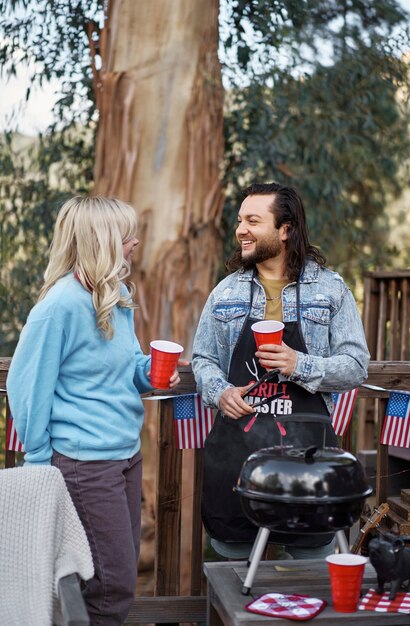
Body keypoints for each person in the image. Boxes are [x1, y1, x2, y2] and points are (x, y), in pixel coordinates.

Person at [6, 196, 185, 626]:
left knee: (109, 579)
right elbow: (25, 385)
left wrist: (153, 375)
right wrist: (39, 462)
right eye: (127, 236)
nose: (135, 242)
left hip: (124, 457)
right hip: (84, 466)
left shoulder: (116, 294)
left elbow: (126, 367)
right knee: (111, 586)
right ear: (101, 241)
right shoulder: (59, 306)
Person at [192, 182, 370, 561]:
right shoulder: (225, 293)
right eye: (240, 220)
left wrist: (299, 364)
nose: (241, 229)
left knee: (307, 578)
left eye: (253, 220)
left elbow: (356, 366)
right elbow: (202, 360)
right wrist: (219, 392)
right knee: (235, 574)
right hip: (237, 458)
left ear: (285, 229)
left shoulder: (330, 290)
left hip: (308, 460)